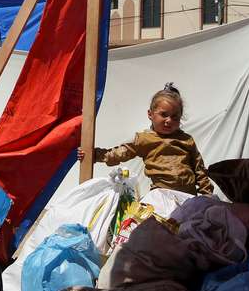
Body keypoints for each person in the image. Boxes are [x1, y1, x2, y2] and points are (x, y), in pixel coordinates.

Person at [79, 82, 214, 211]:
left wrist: (206, 194)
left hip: (188, 198)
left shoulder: (186, 140)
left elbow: (199, 169)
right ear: (150, 114)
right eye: (164, 115)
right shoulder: (145, 139)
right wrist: (94, 154)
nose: (169, 120)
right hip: (162, 196)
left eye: (175, 117)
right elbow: (122, 152)